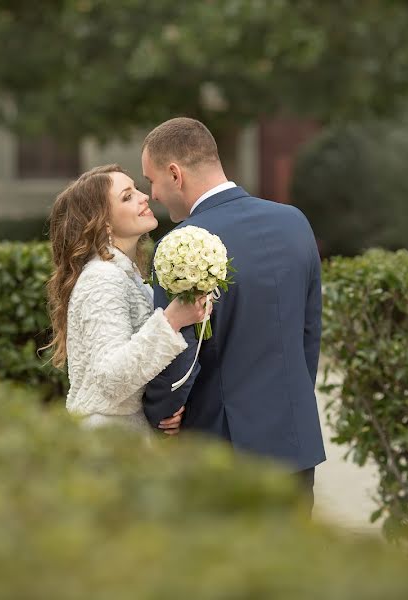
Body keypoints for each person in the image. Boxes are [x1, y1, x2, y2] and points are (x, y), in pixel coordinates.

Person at [141, 118, 326, 503]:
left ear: (175, 174)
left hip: (222, 448)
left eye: (152, 180)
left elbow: (175, 352)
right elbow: (309, 335)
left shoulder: (180, 246)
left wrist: (164, 412)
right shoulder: (295, 222)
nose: (153, 194)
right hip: (295, 440)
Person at [44, 164, 211, 435]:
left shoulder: (125, 274)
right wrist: (171, 321)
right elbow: (111, 377)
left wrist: (165, 409)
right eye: (127, 196)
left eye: (137, 189)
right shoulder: (102, 278)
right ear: (104, 222)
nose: (143, 196)